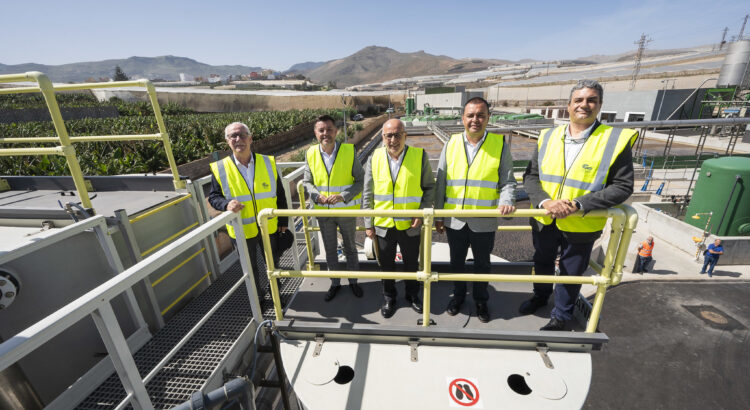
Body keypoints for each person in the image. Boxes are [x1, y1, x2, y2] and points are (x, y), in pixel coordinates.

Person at [519, 79, 638, 331]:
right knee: (541, 261)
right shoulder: (548, 136)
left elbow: (623, 186)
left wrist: (577, 204)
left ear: (600, 105)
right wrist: (546, 201)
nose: (585, 105)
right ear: (569, 105)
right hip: (545, 216)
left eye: (591, 100)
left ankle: (561, 316)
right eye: (579, 100)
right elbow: (531, 176)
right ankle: (540, 297)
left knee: (571, 272)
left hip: (581, 221)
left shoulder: (614, 140)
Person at [435, 97, 516, 323]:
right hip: (455, 221)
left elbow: (508, 181)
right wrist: (439, 216)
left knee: (482, 264)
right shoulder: (450, 144)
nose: (475, 120)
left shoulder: (499, 145)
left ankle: (481, 300)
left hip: (484, 220)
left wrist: (506, 200)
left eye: (481, 115)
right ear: (463, 118)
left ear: (488, 118)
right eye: (470, 115)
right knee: (456, 263)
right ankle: (459, 296)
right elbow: (441, 182)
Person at [208, 122, 289, 300]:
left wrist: (283, 221)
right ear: (227, 141)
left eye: (242, 135)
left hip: (269, 227)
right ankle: (258, 300)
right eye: (233, 136)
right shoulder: (220, 168)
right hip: (241, 230)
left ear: (250, 139)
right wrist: (226, 204)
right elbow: (214, 197)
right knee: (250, 269)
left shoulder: (267, 162)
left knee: (273, 264)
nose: (238, 139)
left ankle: (276, 295)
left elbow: (280, 194)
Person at [363, 119, 435, 318]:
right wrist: (368, 224)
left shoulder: (419, 156)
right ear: (383, 137)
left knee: (411, 263)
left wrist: (421, 212)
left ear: (405, 136)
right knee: (386, 265)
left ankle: (412, 295)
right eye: (388, 135)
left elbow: (429, 188)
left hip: (410, 224)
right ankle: (389, 298)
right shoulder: (374, 158)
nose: (392, 140)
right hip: (383, 224)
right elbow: (367, 193)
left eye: (397, 135)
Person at [302, 115, 365, 301]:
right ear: (315, 133)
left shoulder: (348, 151)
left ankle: (354, 281)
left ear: (336, 131)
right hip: (324, 214)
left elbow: (360, 180)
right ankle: (335, 283)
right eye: (321, 130)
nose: (325, 133)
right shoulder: (310, 153)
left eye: (329, 129)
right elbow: (307, 181)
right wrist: (316, 195)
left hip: (345, 211)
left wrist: (343, 196)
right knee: (330, 249)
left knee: (350, 248)